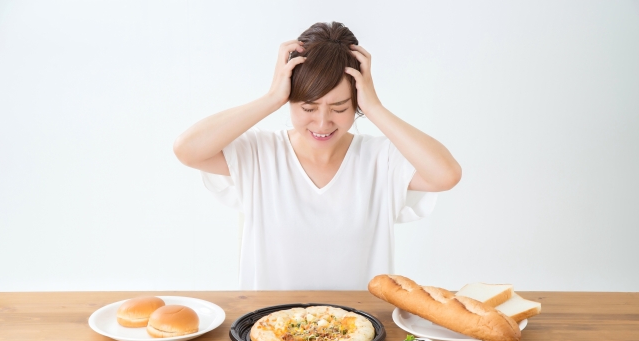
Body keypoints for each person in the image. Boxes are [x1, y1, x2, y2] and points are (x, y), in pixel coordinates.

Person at [173, 22, 461, 290]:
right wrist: (271, 98)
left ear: (357, 103)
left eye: (339, 108)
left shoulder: (381, 160)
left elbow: (446, 175)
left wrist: (375, 108)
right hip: (269, 324)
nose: (323, 123)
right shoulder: (260, 153)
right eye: (308, 108)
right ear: (289, 100)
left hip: (361, 326)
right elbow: (187, 149)